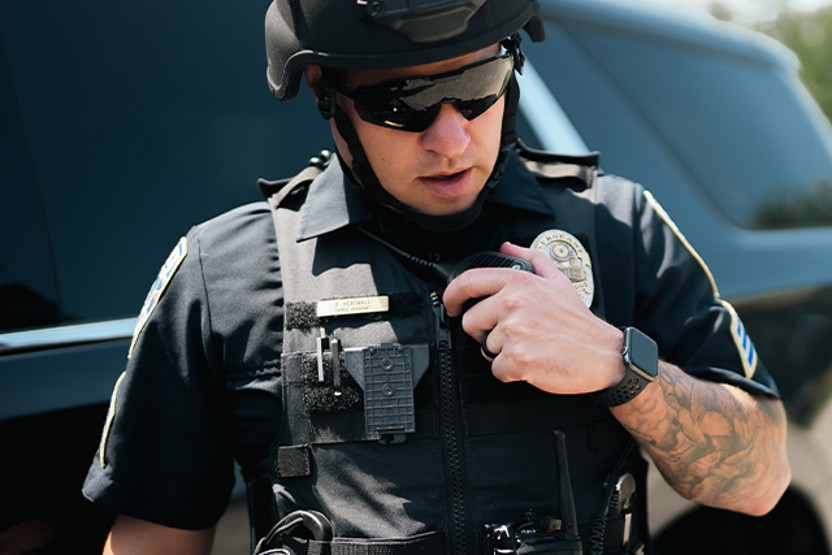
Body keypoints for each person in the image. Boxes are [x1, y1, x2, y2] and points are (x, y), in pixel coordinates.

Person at [82, 1, 790, 553]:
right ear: (327, 95)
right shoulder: (221, 274)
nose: (451, 138)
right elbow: (153, 536)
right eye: (403, 102)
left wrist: (616, 364)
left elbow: (762, 479)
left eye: (477, 86)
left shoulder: (617, 228)